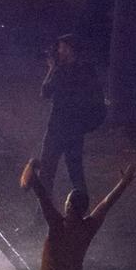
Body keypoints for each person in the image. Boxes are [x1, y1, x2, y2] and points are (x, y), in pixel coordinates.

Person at [40, 34, 106, 202]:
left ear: (69, 49)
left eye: (61, 48)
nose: (59, 51)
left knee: (47, 171)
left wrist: (51, 68)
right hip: (76, 129)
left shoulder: (61, 70)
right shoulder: (86, 70)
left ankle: (42, 212)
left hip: (57, 127)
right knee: (75, 172)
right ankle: (83, 210)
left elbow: (45, 92)